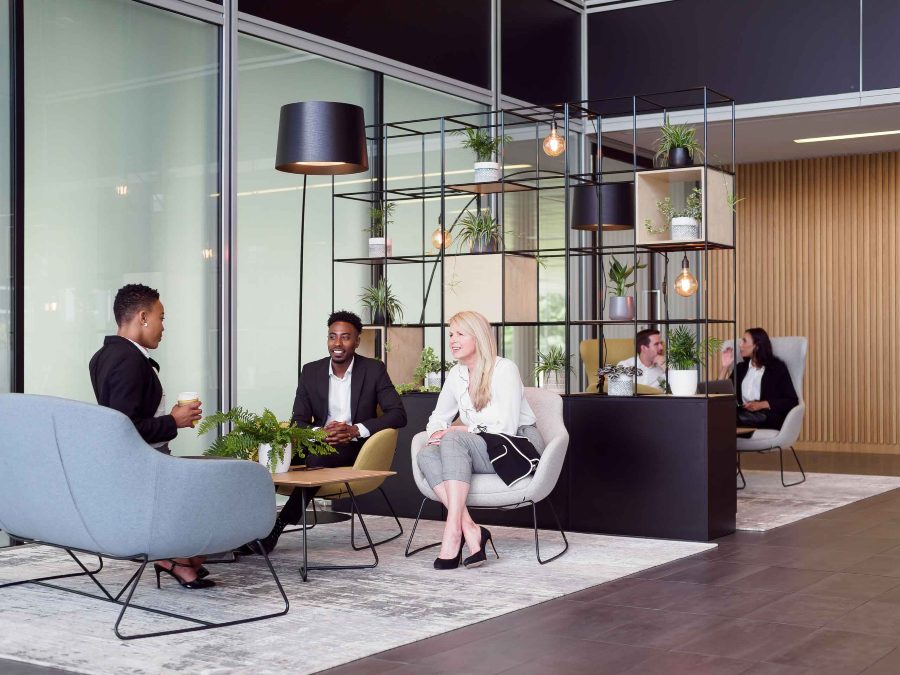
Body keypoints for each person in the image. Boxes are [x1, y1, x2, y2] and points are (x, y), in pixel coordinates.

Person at [246, 310, 407, 554]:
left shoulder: (374, 370)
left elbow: (398, 414)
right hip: (317, 441)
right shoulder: (311, 372)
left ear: (357, 340)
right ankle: (249, 528)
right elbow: (297, 422)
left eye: (345, 337)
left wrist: (354, 430)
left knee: (316, 460)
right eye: (333, 337)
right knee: (268, 461)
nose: (338, 344)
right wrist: (320, 433)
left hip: (354, 448)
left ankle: (277, 526)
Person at [89, 283, 210, 589]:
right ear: (143, 317)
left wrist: (165, 416)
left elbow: (125, 415)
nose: (163, 327)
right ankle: (171, 557)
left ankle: (173, 557)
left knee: (198, 548)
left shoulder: (103, 355)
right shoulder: (128, 360)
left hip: (137, 464)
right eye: (161, 317)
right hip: (144, 466)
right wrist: (173, 421)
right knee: (207, 492)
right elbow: (125, 427)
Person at [417, 311, 544, 570]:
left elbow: (505, 426)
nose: (452, 340)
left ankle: (453, 533)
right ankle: (471, 529)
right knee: (426, 454)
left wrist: (460, 431)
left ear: (479, 337)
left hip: (515, 445)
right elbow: (437, 417)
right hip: (482, 447)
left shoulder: (504, 369)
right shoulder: (456, 374)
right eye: (450, 334)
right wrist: (436, 434)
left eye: (460, 334)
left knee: (454, 439)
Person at [721, 327, 798, 429]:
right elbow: (720, 395)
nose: (740, 345)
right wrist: (725, 367)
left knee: (726, 418)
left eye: (744, 341)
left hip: (766, 416)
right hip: (741, 414)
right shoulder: (740, 368)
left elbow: (792, 401)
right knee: (719, 414)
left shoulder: (777, 368)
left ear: (756, 346)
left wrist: (761, 405)